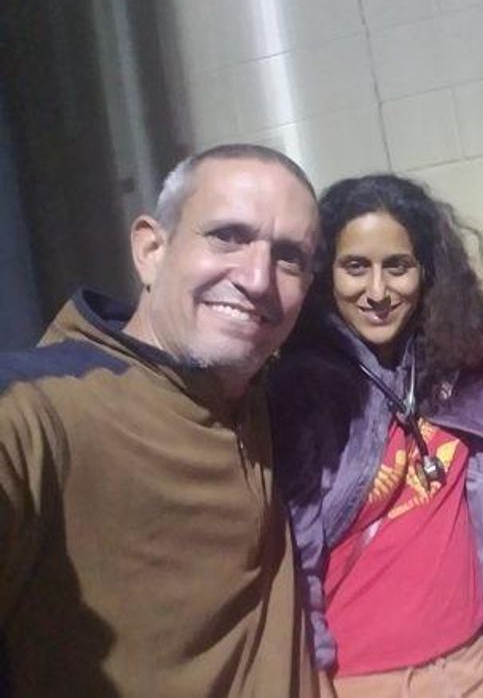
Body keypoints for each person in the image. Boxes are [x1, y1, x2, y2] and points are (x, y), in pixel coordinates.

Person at [0, 144, 321, 696]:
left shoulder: (262, 397)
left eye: (288, 256)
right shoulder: (38, 412)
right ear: (151, 249)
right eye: (228, 236)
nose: (258, 278)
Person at [268, 174, 483, 698]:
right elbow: (296, 560)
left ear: (426, 273)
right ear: (325, 275)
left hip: (476, 667)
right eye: (355, 267)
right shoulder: (303, 389)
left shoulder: (454, 369)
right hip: (364, 682)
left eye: (397, 267)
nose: (378, 293)